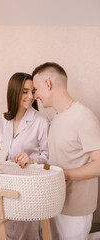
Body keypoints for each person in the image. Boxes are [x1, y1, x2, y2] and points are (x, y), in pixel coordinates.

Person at [32, 62, 100, 240]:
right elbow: (59, 160)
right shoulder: (56, 118)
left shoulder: (83, 117)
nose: (35, 95)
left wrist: (63, 175)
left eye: (36, 88)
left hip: (76, 209)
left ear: (48, 84)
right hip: (57, 203)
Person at [0, 72, 49, 240]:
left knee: (26, 232)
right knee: (6, 229)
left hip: (29, 185)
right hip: (5, 184)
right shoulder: (1, 121)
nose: (31, 96)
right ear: (14, 92)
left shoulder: (41, 120)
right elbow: (2, 152)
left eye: (32, 91)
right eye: (25, 91)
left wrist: (32, 160)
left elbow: (49, 155)